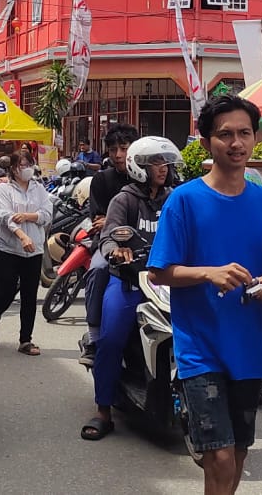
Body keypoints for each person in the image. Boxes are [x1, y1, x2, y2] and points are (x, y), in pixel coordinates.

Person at [147, 97, 262, 495]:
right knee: (219, 457)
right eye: (225, 134)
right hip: (200, 348)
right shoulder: (185, 200)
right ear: (207, 143)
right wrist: (209, 272)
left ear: (255, 139)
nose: (236, 143)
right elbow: (160, 270)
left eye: (244, 133)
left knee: (238, 454)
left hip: (249, 348)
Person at [81, 135, 181, 441]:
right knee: (110, 340)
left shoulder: (175, 198)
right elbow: (109, 234)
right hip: (129, 280)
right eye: (154, 163)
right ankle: (103, 411)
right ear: (140, 167)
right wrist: (116, 251)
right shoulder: (123, 200)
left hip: (171, 281)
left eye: (164, 162)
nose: (162, 168)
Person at [79, 123, 138, 366]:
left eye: (123, 148)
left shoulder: (152, 175)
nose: (118, 155)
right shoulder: (101, 180)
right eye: (113, 149)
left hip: (146, 244)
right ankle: (93, 337)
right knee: (99, 270)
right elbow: (99, 222)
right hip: (108, 243)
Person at [0, 151, 52, 356]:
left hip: (34, 250)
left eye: (29, 164)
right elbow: (5, 216)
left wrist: (28, 216)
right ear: (13, 168)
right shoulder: (3, 189)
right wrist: (22, 236)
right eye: (22, 164)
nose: (27, 168)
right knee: (5, 290)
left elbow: (47, 214)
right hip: (9, 248)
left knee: (29, 295)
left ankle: (25, 340)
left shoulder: (38, 189)